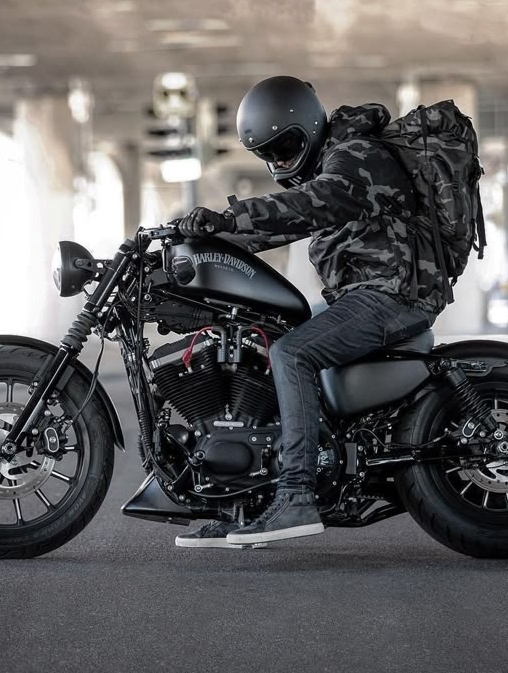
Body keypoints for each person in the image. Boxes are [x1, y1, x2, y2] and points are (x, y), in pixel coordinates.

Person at [175, 76, 440, 548]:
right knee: (260, 335)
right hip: (361, 295)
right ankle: (242, 501)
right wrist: (194, 238)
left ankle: (295, 495)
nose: (280, 160)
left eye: (286, 146)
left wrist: (228, 217)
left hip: (390, 294)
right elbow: (273, 231)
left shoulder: (356, 156)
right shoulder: (326, 166)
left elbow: (308, 205)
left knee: (291, 353)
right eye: (269, 154)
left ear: (311, 122)